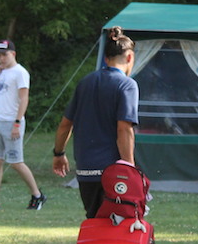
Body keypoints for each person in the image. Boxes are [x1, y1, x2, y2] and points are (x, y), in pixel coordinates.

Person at [52, 26, 138, 218]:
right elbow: (124, 130)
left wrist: (59, 153)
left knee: (95, 223)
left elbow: (66, 124)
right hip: (114, 173)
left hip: (86, 172)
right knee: (121, 227)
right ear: (130, 57)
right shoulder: (127, 85)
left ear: (105, 58)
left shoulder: (85, 83)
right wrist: (129, 168)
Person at [0, 39, 46, 210]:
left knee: (15, 162)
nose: (1, 58)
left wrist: (17, 123)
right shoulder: (2, 72)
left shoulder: (20, 73)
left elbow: (24, 98)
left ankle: (37, 195)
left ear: (13, 54)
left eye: (4, 54)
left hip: (13, 122)